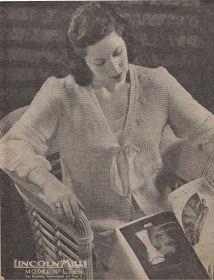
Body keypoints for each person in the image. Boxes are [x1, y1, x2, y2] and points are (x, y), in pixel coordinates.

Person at [0, 2, 214, 278]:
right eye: (100, 61)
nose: (115, 67)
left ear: (125, 41)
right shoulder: (61, 95)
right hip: (99, 231)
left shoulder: (157, 83)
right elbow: (11, 145)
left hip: (165, 222)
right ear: (81, 60)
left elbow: (206, 127)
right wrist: (50, 183)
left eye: (118, 53)